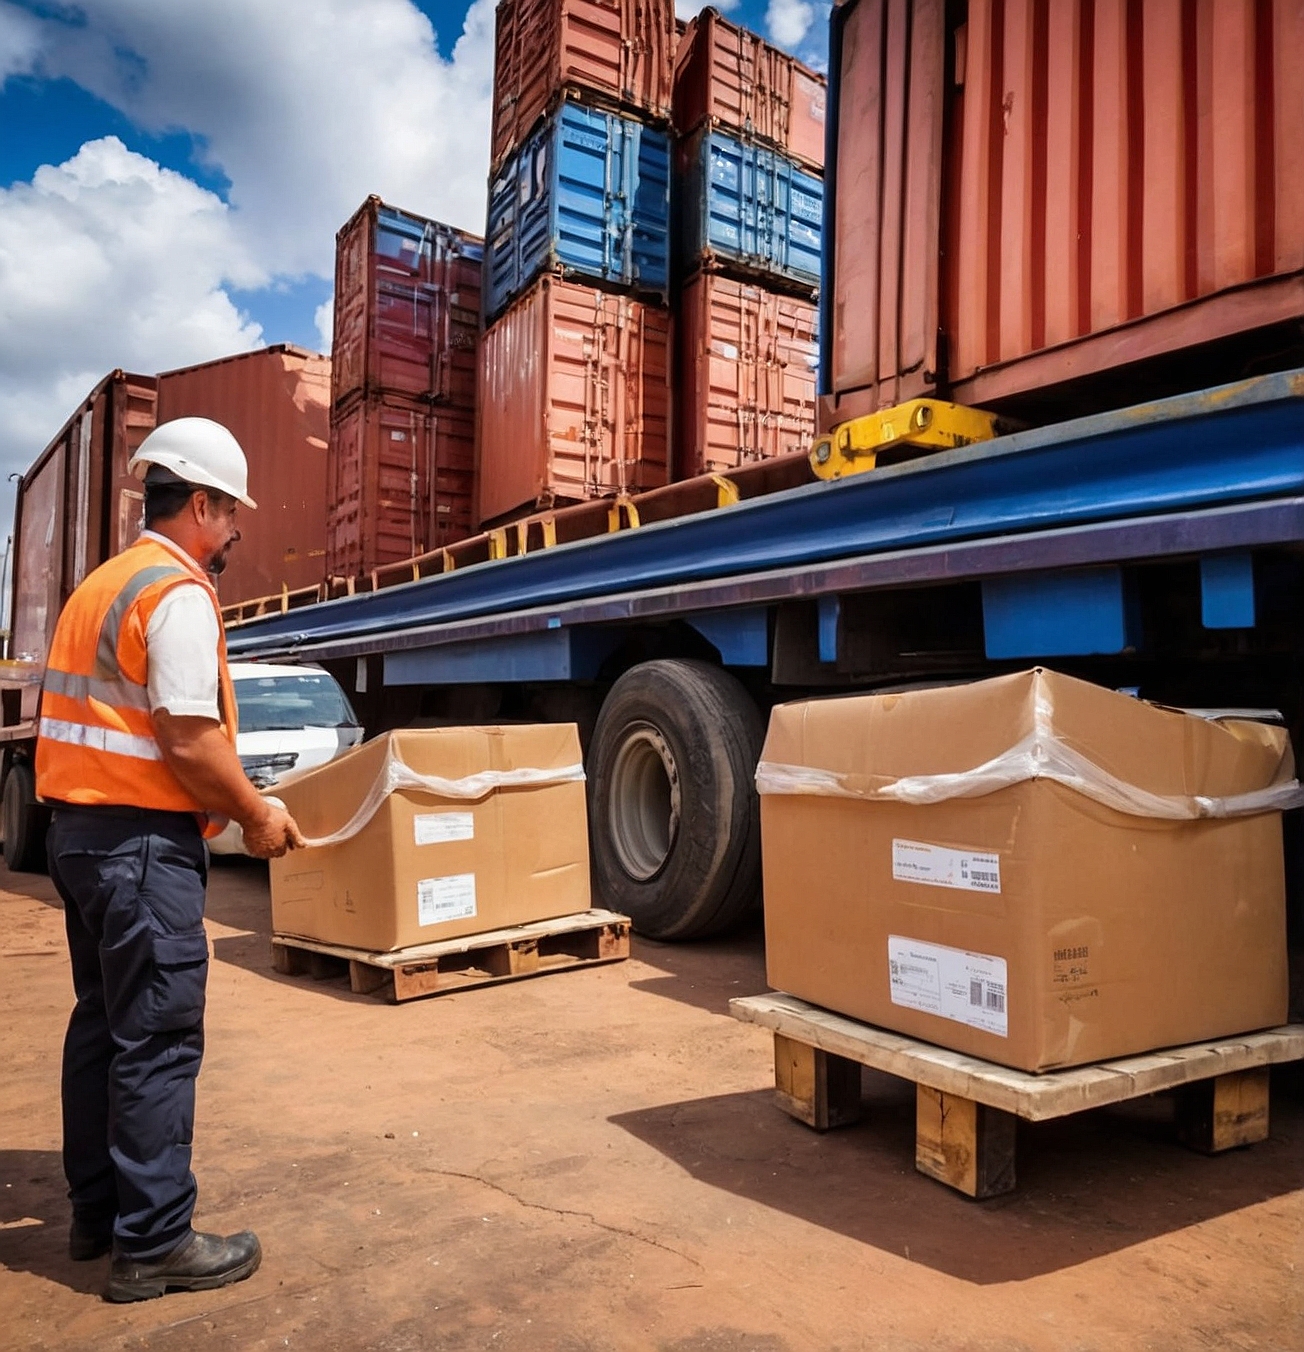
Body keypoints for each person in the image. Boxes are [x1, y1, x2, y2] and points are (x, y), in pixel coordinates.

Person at [35, 417, 305, 1303]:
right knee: (156, 1038)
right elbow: (189, 740)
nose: (234, 535)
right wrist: (256, 815)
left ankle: (96, 1215)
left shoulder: (102, 586)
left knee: (101, 1027)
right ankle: (151, 1243)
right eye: (230, 516)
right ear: (200, 504)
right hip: (143, 846)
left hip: (78, 838)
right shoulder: (176, 593)